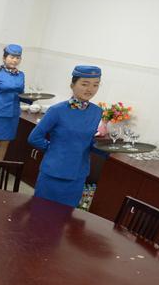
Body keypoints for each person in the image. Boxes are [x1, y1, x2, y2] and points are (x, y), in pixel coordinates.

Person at [29, 66, 104, 208]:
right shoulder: (57, 111)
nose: (90, 89)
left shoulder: (97, 112)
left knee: (65, 218)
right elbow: (34, 138)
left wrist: (105, 150)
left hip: (78, 175)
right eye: (84, 84)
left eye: (96, 85)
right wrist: (54, 150)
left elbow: (87, 141)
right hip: (53, 172)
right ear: (72, 85)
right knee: (40, 217)